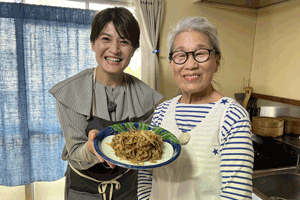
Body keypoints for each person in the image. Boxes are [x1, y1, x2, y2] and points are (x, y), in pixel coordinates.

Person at [49, 7, 162, 200]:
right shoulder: (70, 91)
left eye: (124, 41)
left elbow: (145, 148)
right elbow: (75, 153)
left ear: (134, 49)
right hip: (83, 190)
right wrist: (91, 149)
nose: (115, 49)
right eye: (106, 39)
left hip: (129, 188)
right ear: (93, 43)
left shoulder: (145, 96)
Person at [138, 16, 254, 200]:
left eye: (200, 53)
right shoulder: (161, 112)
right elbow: (146, 175)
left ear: (216, 61)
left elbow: (237, 195)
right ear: (171, 64)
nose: (190, 65)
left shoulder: (232, 116)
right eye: (180, 55)